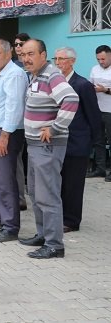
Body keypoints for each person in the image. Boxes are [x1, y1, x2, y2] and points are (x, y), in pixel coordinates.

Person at [19, 39, 78, 259]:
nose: (26, 58)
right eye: (23, 54)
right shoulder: (36, 76)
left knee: (48, 196)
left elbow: (71, 99)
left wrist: (54, 128)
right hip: (35, 145)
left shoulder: (52, 75)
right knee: (35, 193)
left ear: (43, 55)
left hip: (48, 146)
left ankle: (54, 245)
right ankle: (43, 234)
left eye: (31, 54)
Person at [0, 39, 28, 243]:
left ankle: (10, 227)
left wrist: (4, 135)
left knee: (5, 182)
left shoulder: (14, 75)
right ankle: (1, 217)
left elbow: (14, 107)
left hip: (7, 133)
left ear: (9, 54)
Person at [54, 47, 101, 232]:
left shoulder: (82, 84)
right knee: (60, 182)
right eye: (56, 59)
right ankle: (59, 215)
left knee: (73, 184)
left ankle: (71, 221)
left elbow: (93, 116)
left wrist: (91, 143)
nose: (58, 63)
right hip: (58, 140)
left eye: (62, 59)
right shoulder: (56, 83)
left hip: (77, 142)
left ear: (72, 61)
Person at [89, 44, 111, 180]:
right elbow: (90, 86)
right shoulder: (94, 69)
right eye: (98, 59)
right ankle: (100, 169)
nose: (101, 62)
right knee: (98, 141)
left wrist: (105, 90)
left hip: (110, 111)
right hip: (97, 110)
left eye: (103, 59)